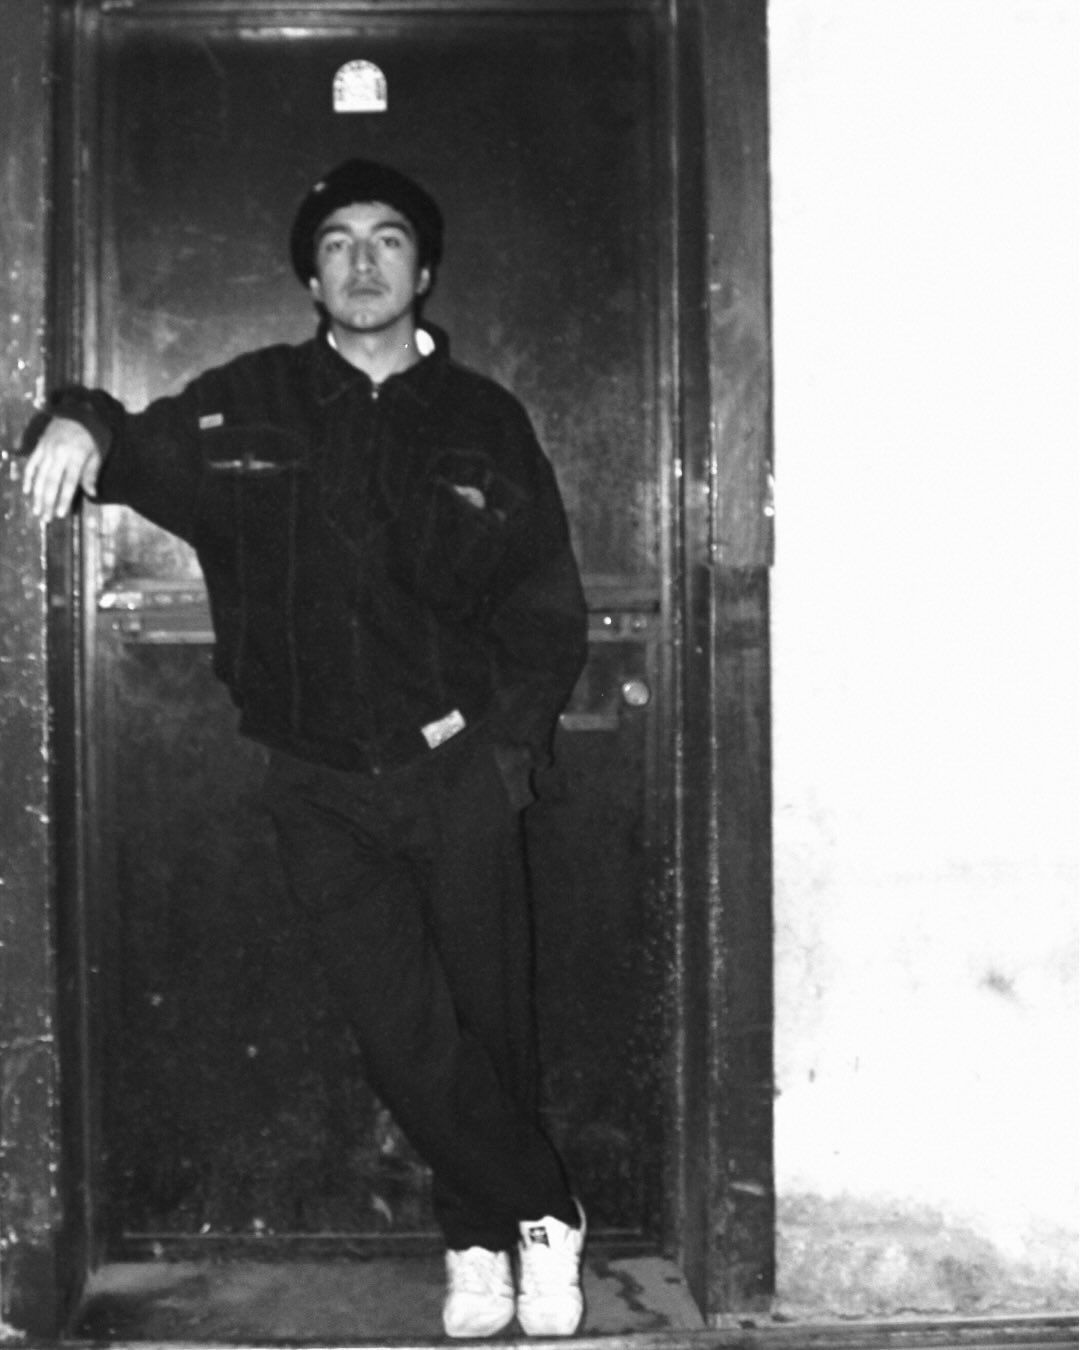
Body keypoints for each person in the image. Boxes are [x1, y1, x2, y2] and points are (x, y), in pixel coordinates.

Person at [22, 158, 588, 1339]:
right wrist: (70, 416)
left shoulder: (485, 419)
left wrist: (509, 751)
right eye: (338, 243)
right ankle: (542, 1206)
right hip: (318, 782)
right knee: (399, 1032)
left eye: (388, 240)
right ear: (311, 278)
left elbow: (545, 606)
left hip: (457, 766)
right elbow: (122, 444)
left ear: (423, 272)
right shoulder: (247, 404)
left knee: (488, 1019)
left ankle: (481, 1246)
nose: (364, 261)